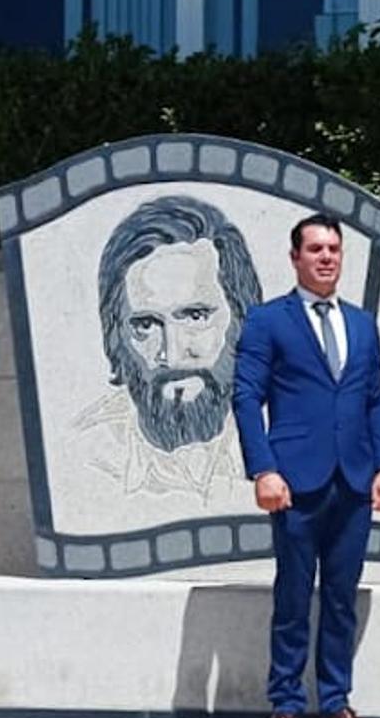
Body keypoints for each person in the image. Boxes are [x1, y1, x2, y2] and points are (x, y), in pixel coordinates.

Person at [233, 213, 380, 718]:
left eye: (333, 249)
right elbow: (245, 398)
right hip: (295, 482)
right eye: (315, 249)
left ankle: (334, 705)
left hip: (353, 481)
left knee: (342, 598)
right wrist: (263, 469)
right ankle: (284, 706)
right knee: (293, 595)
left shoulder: (361, 324)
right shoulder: (267, 321)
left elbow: (377, 398)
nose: (326, 257)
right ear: (295, 257)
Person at [75, 195, 262, 499]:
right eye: (146, 325)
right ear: (115, 336)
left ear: (243, 318)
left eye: (196, 316)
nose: (172, 354)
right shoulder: (85, 457)